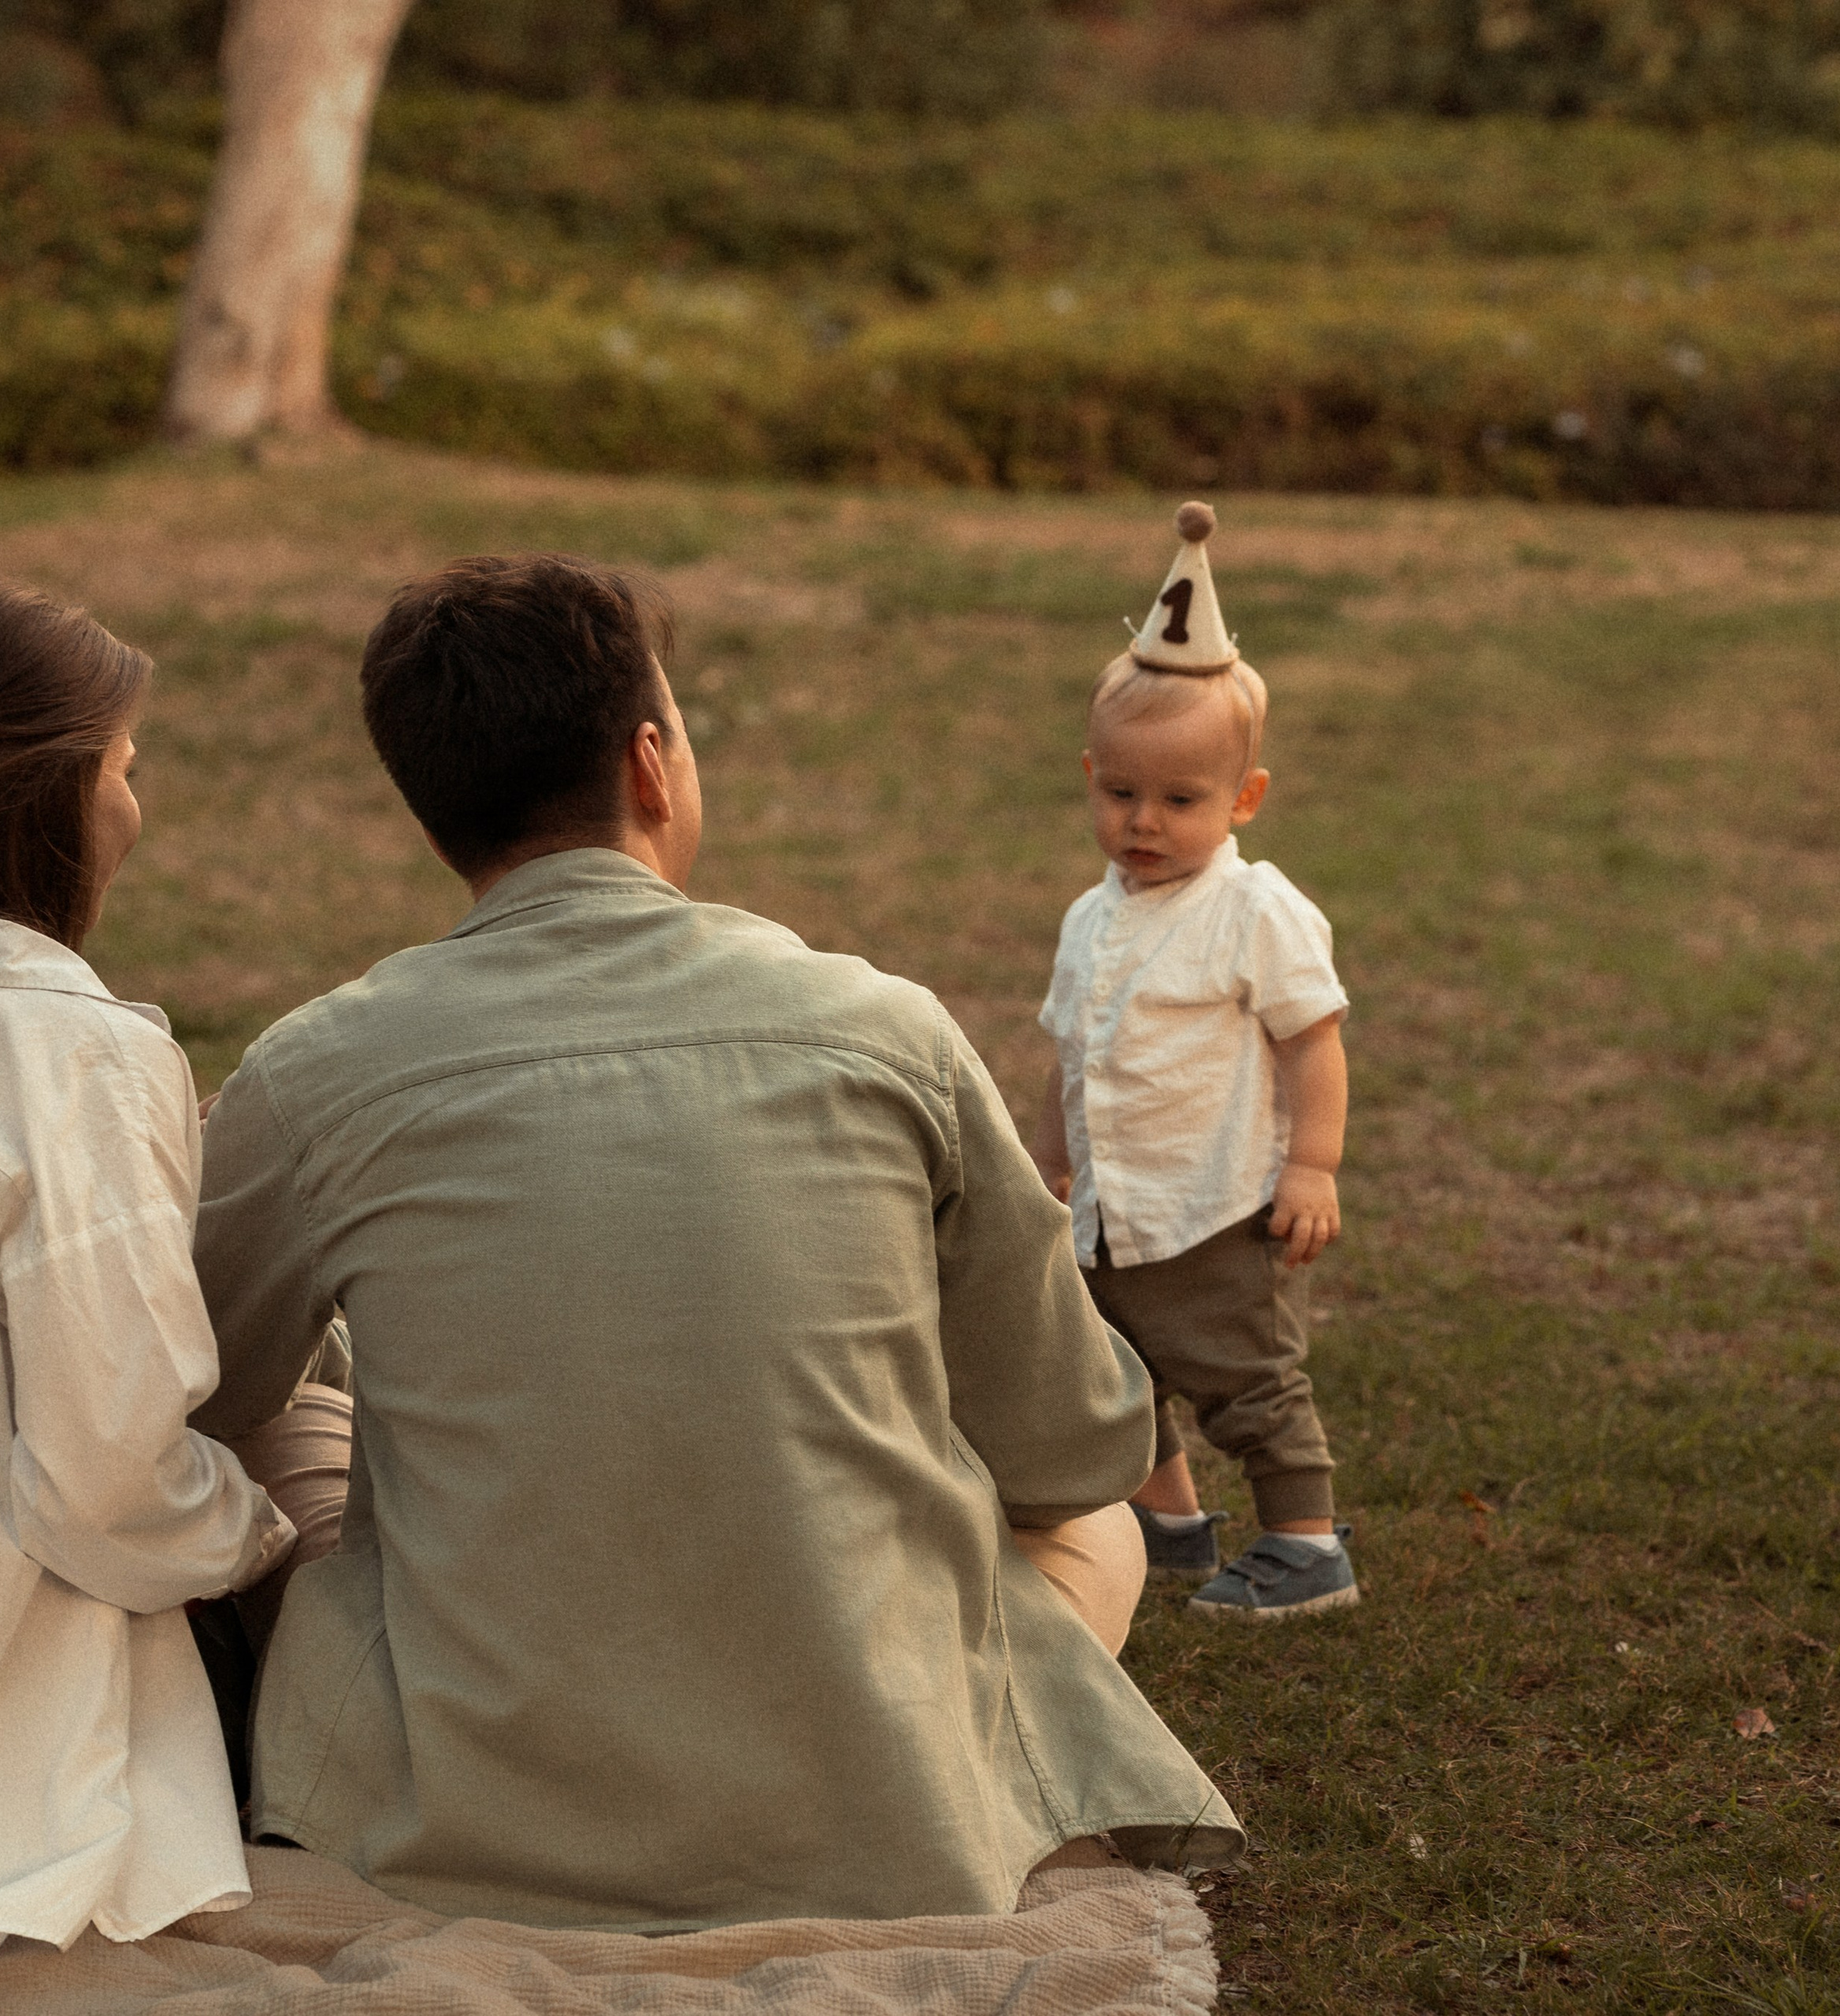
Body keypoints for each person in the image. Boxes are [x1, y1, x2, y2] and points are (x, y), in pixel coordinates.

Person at [189, 553, 1241, 1933]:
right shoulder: (888, 1033)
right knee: (1096, 1523)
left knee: (296, 1441)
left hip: (462, 1814)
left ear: (433, 810)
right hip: (880, 1808)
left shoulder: (311, 1071)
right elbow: (1076, 1445)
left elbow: (194, 1390)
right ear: (650, 762)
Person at [0, 587, 297, 1950]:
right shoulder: (66, 1054)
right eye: (125, 769)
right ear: (49, 799)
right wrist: (264, 1530)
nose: (137, 809)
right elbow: (108, 1479)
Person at [1032, 504, 1358, 1621]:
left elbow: (1313, 1038)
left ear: (1244, 799)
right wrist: (1053, 1160)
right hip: (1113, 1210)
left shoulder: (1253, 910)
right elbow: (1070, 1050)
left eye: (1180, 800)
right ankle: (1163, 1520)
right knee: (1114, 1372)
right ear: (1091, 776)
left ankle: (1305, 1543)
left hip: (1214, 1204)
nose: (1144, 821)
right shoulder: (1091, 917)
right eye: (1120, 793)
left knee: (1246, 1375)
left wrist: (1311, 1166)